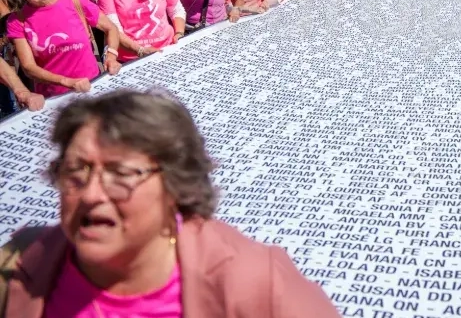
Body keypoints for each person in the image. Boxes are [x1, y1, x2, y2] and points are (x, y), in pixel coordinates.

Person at [0, 89, 344, 316]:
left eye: (121, 174)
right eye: (76, 170)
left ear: (175, 185)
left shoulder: (258, 285)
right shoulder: (18, 265)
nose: (91, 195)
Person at [3, 0, 121, 97]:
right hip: (55, 100)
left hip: (92, 91)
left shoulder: (77, 3)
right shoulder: (17, 20)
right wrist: (66, 82)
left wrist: (111, 56)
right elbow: (28, 67)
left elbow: (111, 28)